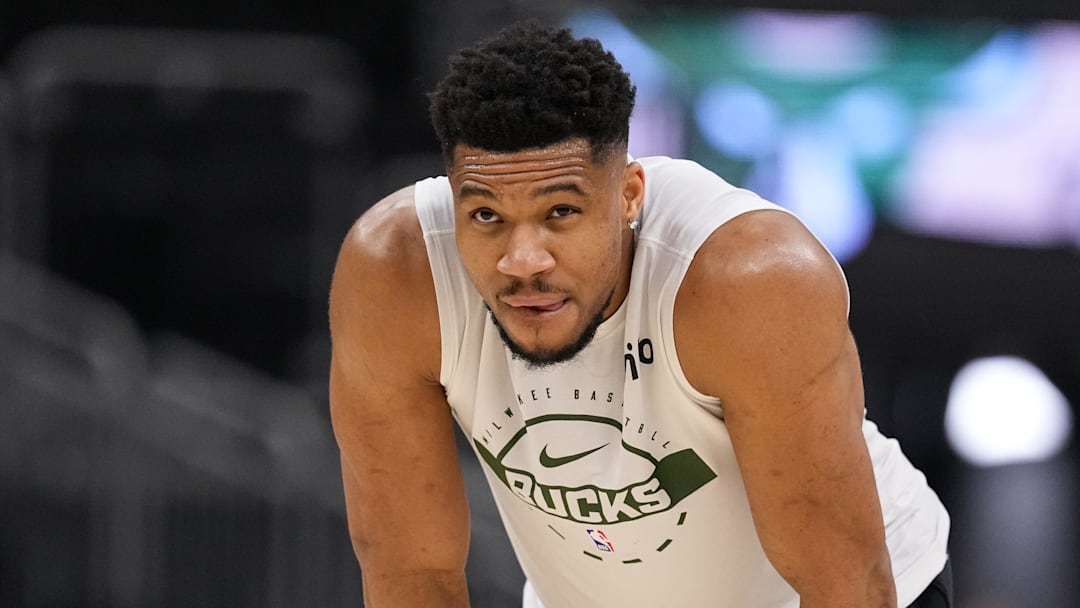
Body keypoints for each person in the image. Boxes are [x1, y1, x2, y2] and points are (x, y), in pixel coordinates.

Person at [328, 20, 952, 608]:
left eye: (560, 213)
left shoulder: (749, 280)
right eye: (486, 216)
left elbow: (845, 580)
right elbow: (411, 571)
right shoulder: (396, 274)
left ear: (629, 195)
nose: (521, 261)